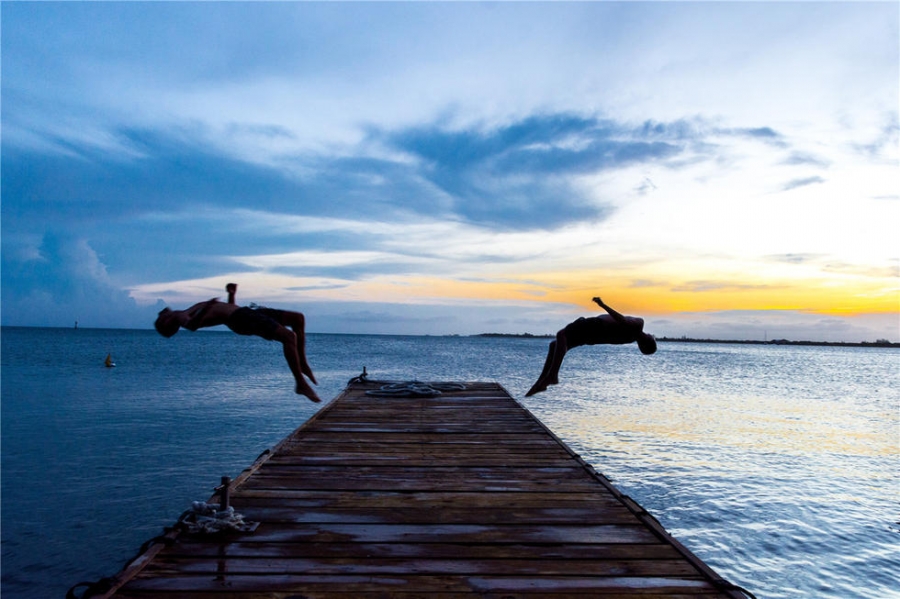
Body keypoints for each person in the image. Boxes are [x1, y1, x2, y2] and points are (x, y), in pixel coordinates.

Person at [154, 284, 321, 403]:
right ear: (166, 322)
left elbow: (228, 309)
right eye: (160, 318)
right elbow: (192, 326)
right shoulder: (180, 317)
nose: (161, 313)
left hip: (245, 312)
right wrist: (206, 307)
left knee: (298, 318)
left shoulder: (186, 311)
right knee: (289, 337)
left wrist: (231, 294)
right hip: (241, 319)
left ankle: (303, 364)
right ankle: (300, 383)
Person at [526, 297, 656, 397]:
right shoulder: (629, 339)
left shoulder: (639, 324)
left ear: (648, 340)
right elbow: (608, 337)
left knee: (561, 335)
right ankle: (541, 381)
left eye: (653, 339)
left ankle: (552, 376)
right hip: (592, 337)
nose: (654, 336)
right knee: (555, 345)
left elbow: (621, 319)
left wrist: (602, 305)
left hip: (594, 326)